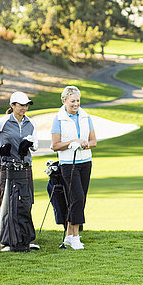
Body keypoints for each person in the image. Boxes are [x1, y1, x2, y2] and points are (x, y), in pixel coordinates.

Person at [0, 91, 39, 250]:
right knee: (6, 202)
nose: (24, 108)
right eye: (21, 105)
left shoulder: (31, 122)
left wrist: (28, 144)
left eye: (26, 105)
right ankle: (4, 240)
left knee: (26, 201)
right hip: (7, 168)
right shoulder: (3, 121)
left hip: (25, 167)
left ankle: (25, 238)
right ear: (12, 106)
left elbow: (35, 145)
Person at [51, 85, 96, 250]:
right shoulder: (59, 119)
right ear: (64, 101)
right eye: (72, 101)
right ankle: (76, 237)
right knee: (77, 198)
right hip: (68, 164)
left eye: (77, 100)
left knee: (80, 199)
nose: (76, 104)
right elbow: (55, 145)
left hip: (85, 162)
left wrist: (84, 144)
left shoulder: (86, 117)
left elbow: (94, 141)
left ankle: (69, 235)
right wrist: (72, 143)